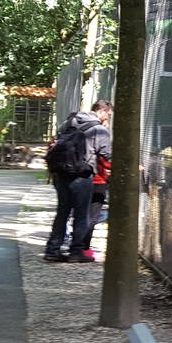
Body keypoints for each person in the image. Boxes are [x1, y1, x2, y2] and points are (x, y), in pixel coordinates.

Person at [45, 100, 113, 263]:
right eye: (108, 115)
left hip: (61, 173)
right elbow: (107, 155)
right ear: (102, 112)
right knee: (81, 215)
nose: (107, 119)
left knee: (62, 213)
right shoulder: (99, 130)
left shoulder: (68, 123)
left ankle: (53, 250)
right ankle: (76, 251)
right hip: (82, 175)